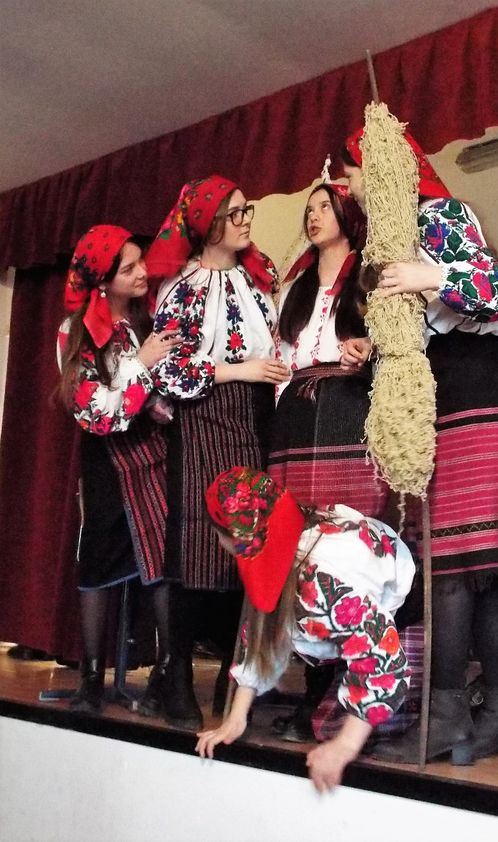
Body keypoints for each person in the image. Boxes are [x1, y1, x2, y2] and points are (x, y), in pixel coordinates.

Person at [340, 128, 498, 764]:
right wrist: (376, 345)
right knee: (477, 569)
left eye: (352, 171)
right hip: (448, 394)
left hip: (477, 392)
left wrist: (430, 274)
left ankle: (448, 717)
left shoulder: (439, 215)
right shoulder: (389, 236)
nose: (345, 184)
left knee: (453, 565)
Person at [145, 176, 290, 729]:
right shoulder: (181, 288)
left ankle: (240, 676)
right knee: (197, 538)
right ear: (208, 225)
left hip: (257, 415)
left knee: (248, 542)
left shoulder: (261, 276)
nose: (247, 220)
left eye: (247, 209)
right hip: (203, 414)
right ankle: (177, 673)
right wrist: (240, 370)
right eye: (235, 213)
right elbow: (168, 368)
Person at [194, 467, 413, 792]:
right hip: (345, 618)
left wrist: (345, 746)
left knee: (340, 728)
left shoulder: (320, 586)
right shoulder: (280, 545)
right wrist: (236, 717)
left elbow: (382, 657)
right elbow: (264, 631)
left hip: (402, 608)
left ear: (232, 539)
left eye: (217, 534)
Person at [268, 182, 388, 741]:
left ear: (347, 213)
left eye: (325, 206)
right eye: (309, 209)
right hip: (296, 417)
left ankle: (345, 693)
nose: (314, 216)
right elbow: (281, 359)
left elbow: (395, 344)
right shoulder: (295, 290)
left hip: (347, 412)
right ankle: (310, 692)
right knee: (299, 550)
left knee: (342, 546)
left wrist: (369, 353)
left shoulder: (369, 276)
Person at [56, 224, 181, 713]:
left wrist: (155, 397)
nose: (143, 272)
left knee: (162, 561)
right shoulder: (75, 333)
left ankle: (168, 671)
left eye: (140, 261)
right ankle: (91, 677)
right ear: (104, 281)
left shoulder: (148, 321)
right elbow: (97, 412)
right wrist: (141, 367)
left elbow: (160, 396)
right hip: (107, 460)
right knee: (99, 559)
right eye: (129, 268)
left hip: (152, 454)